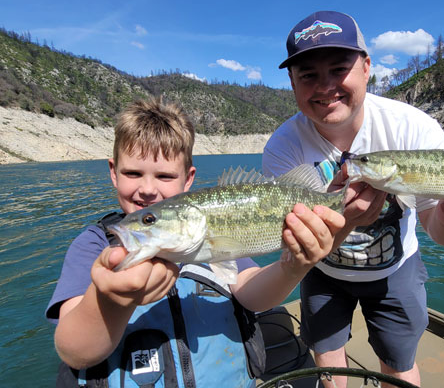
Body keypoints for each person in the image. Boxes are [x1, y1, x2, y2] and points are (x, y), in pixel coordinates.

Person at [262, 11, 444, 387]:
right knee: (327, 361)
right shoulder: (282, 146)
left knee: (400, 365)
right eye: (307, 75)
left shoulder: (413, 127)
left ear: (367, 67)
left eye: (339, 69)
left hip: (395, 271)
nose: (325, 86)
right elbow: (293, 243)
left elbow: (443, 231)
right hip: (322, 274)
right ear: (291, 81)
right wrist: (349, 220)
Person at [46, 96, 345, 387]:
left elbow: (250, 295)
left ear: (188, 179)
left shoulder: (209, 235)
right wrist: (112, 302)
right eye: (133, 173)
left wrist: (293, 268)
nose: (147, 189)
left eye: (164, 176)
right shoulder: (93, 247)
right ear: (113, 172)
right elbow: (74, 351)